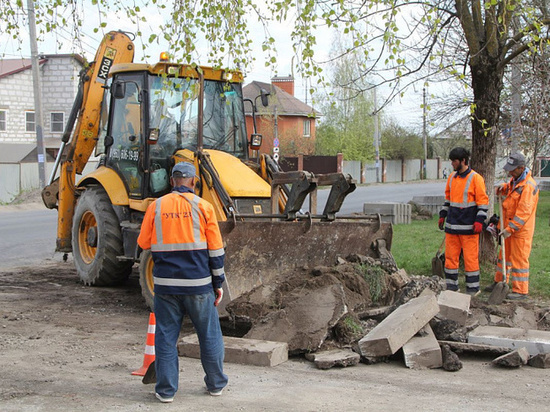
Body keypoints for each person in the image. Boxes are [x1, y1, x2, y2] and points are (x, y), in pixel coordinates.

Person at [137, 161, 228, 403]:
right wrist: (218, 282)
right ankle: (216, 384)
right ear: (194, 182)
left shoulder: (155, 207)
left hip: (166, 287)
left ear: (171, 181)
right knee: (209, 335)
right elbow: (216, 251)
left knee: (166, 337)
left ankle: (166, 391)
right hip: (199, 285)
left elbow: (144, 243)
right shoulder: (204, 207)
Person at [485, 152, 539, 300]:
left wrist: (511, 228)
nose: (510, 172)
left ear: (521, 168)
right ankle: (499, 282)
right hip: (508, 228)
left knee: (519, 259)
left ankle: (521, 291)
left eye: (512, 169)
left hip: (520, 231)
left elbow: (523, 213)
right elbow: (510, 192)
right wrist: (502, 188)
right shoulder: (515, 182)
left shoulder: (529, 187)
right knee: (504, 258)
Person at [438, 147, 489, 295]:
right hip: (452, 227)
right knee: (450, 259)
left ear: (463, 161)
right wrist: (442, 214)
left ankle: (473, 289)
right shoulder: (451, 178)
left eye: (454, 161)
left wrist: (479, 220)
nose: (452, 164)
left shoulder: (476, 178)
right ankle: (451, 287)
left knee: (470, 259)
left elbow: (483, 202)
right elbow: (448, 199)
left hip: (469, 228)